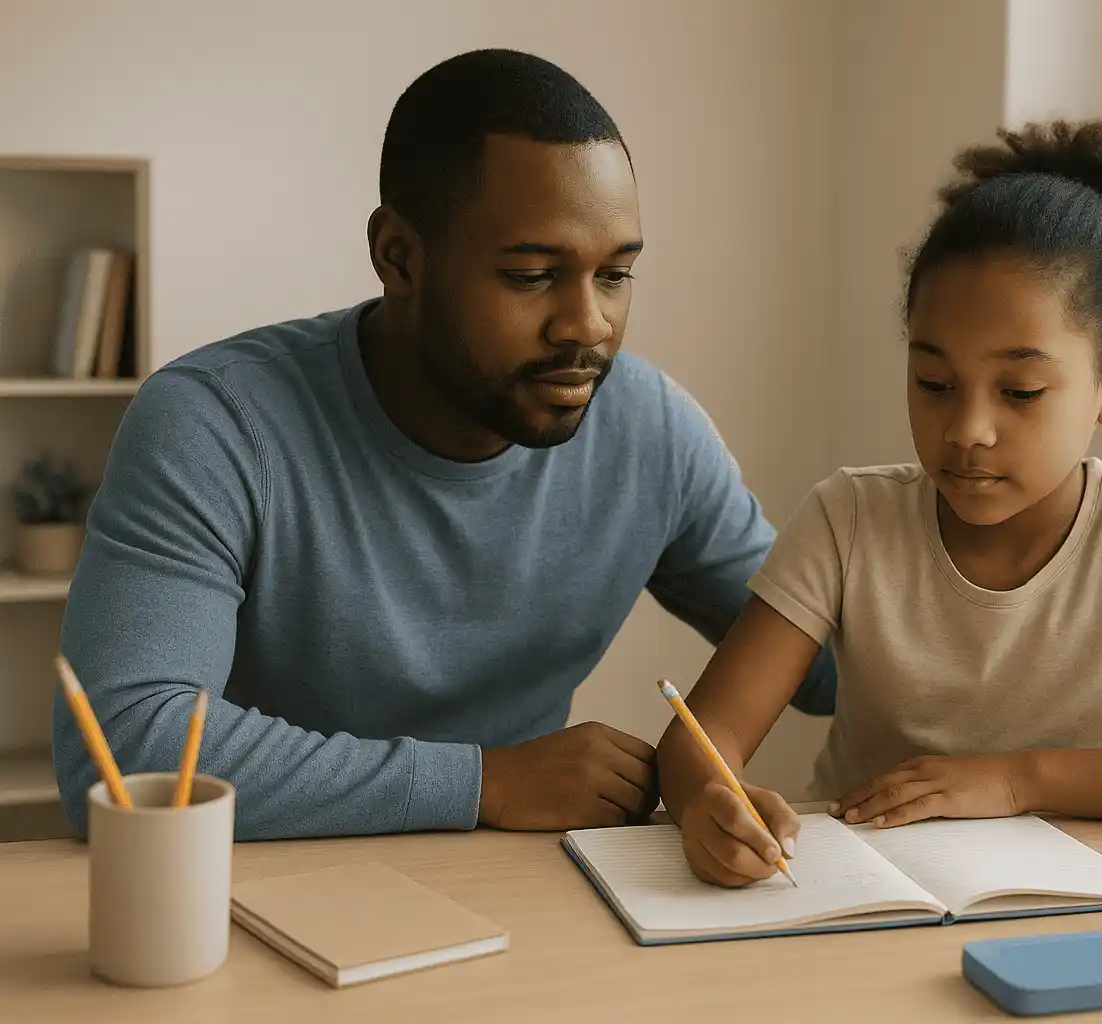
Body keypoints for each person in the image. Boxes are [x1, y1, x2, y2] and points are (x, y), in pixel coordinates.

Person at [52, 48, 832, 841]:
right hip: (264, 899)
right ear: (399, 256)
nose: (589, 325)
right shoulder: (214, 424)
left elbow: (828, 663)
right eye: (532, 275)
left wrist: (944, 529)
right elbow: (121, 751)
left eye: (614, 275)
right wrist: (483, 781)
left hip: (521, 897)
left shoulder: (653, 434)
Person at [657, 119, 1102, 888]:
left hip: (1088, 903)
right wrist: (711, 800)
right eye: (934, 384)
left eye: (1020, 392)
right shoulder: (849, 519)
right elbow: (698, 738)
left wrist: (1019, 780)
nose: (967, 431)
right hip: (872, 902)